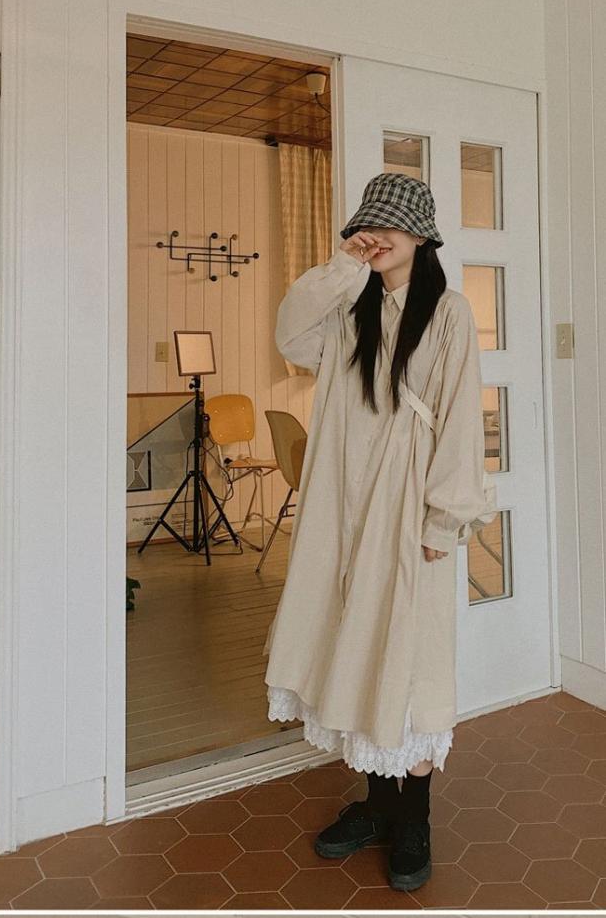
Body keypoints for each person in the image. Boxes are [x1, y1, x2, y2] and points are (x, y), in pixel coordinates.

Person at [266, 169, 486, 899]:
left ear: (422, 235)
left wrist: (442, 517)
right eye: (370, 223)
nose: (379, 235)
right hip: (343, 504)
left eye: (393, 224)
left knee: (411, 654)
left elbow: (459, 417)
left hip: (408, 505)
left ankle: (413, 818)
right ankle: (377, 804)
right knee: (353, 642)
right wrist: (343, 268)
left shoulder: (448, 313)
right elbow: (290, 334)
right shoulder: (348, 310)